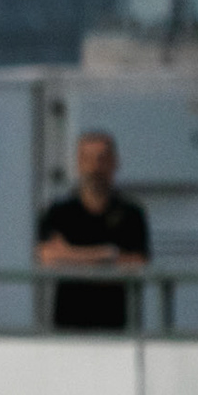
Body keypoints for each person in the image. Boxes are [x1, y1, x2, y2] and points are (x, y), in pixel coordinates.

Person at [35, 130, 150, 330]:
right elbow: (48, 257)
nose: (95, 167)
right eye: (87, 159)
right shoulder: (59, 212)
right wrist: (108, 254)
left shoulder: (131, 214)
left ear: (115, 162)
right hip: (69, 326)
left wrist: (70, 256)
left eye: (102, 158)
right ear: (78, 164)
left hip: (119, 327)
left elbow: (138, 263)